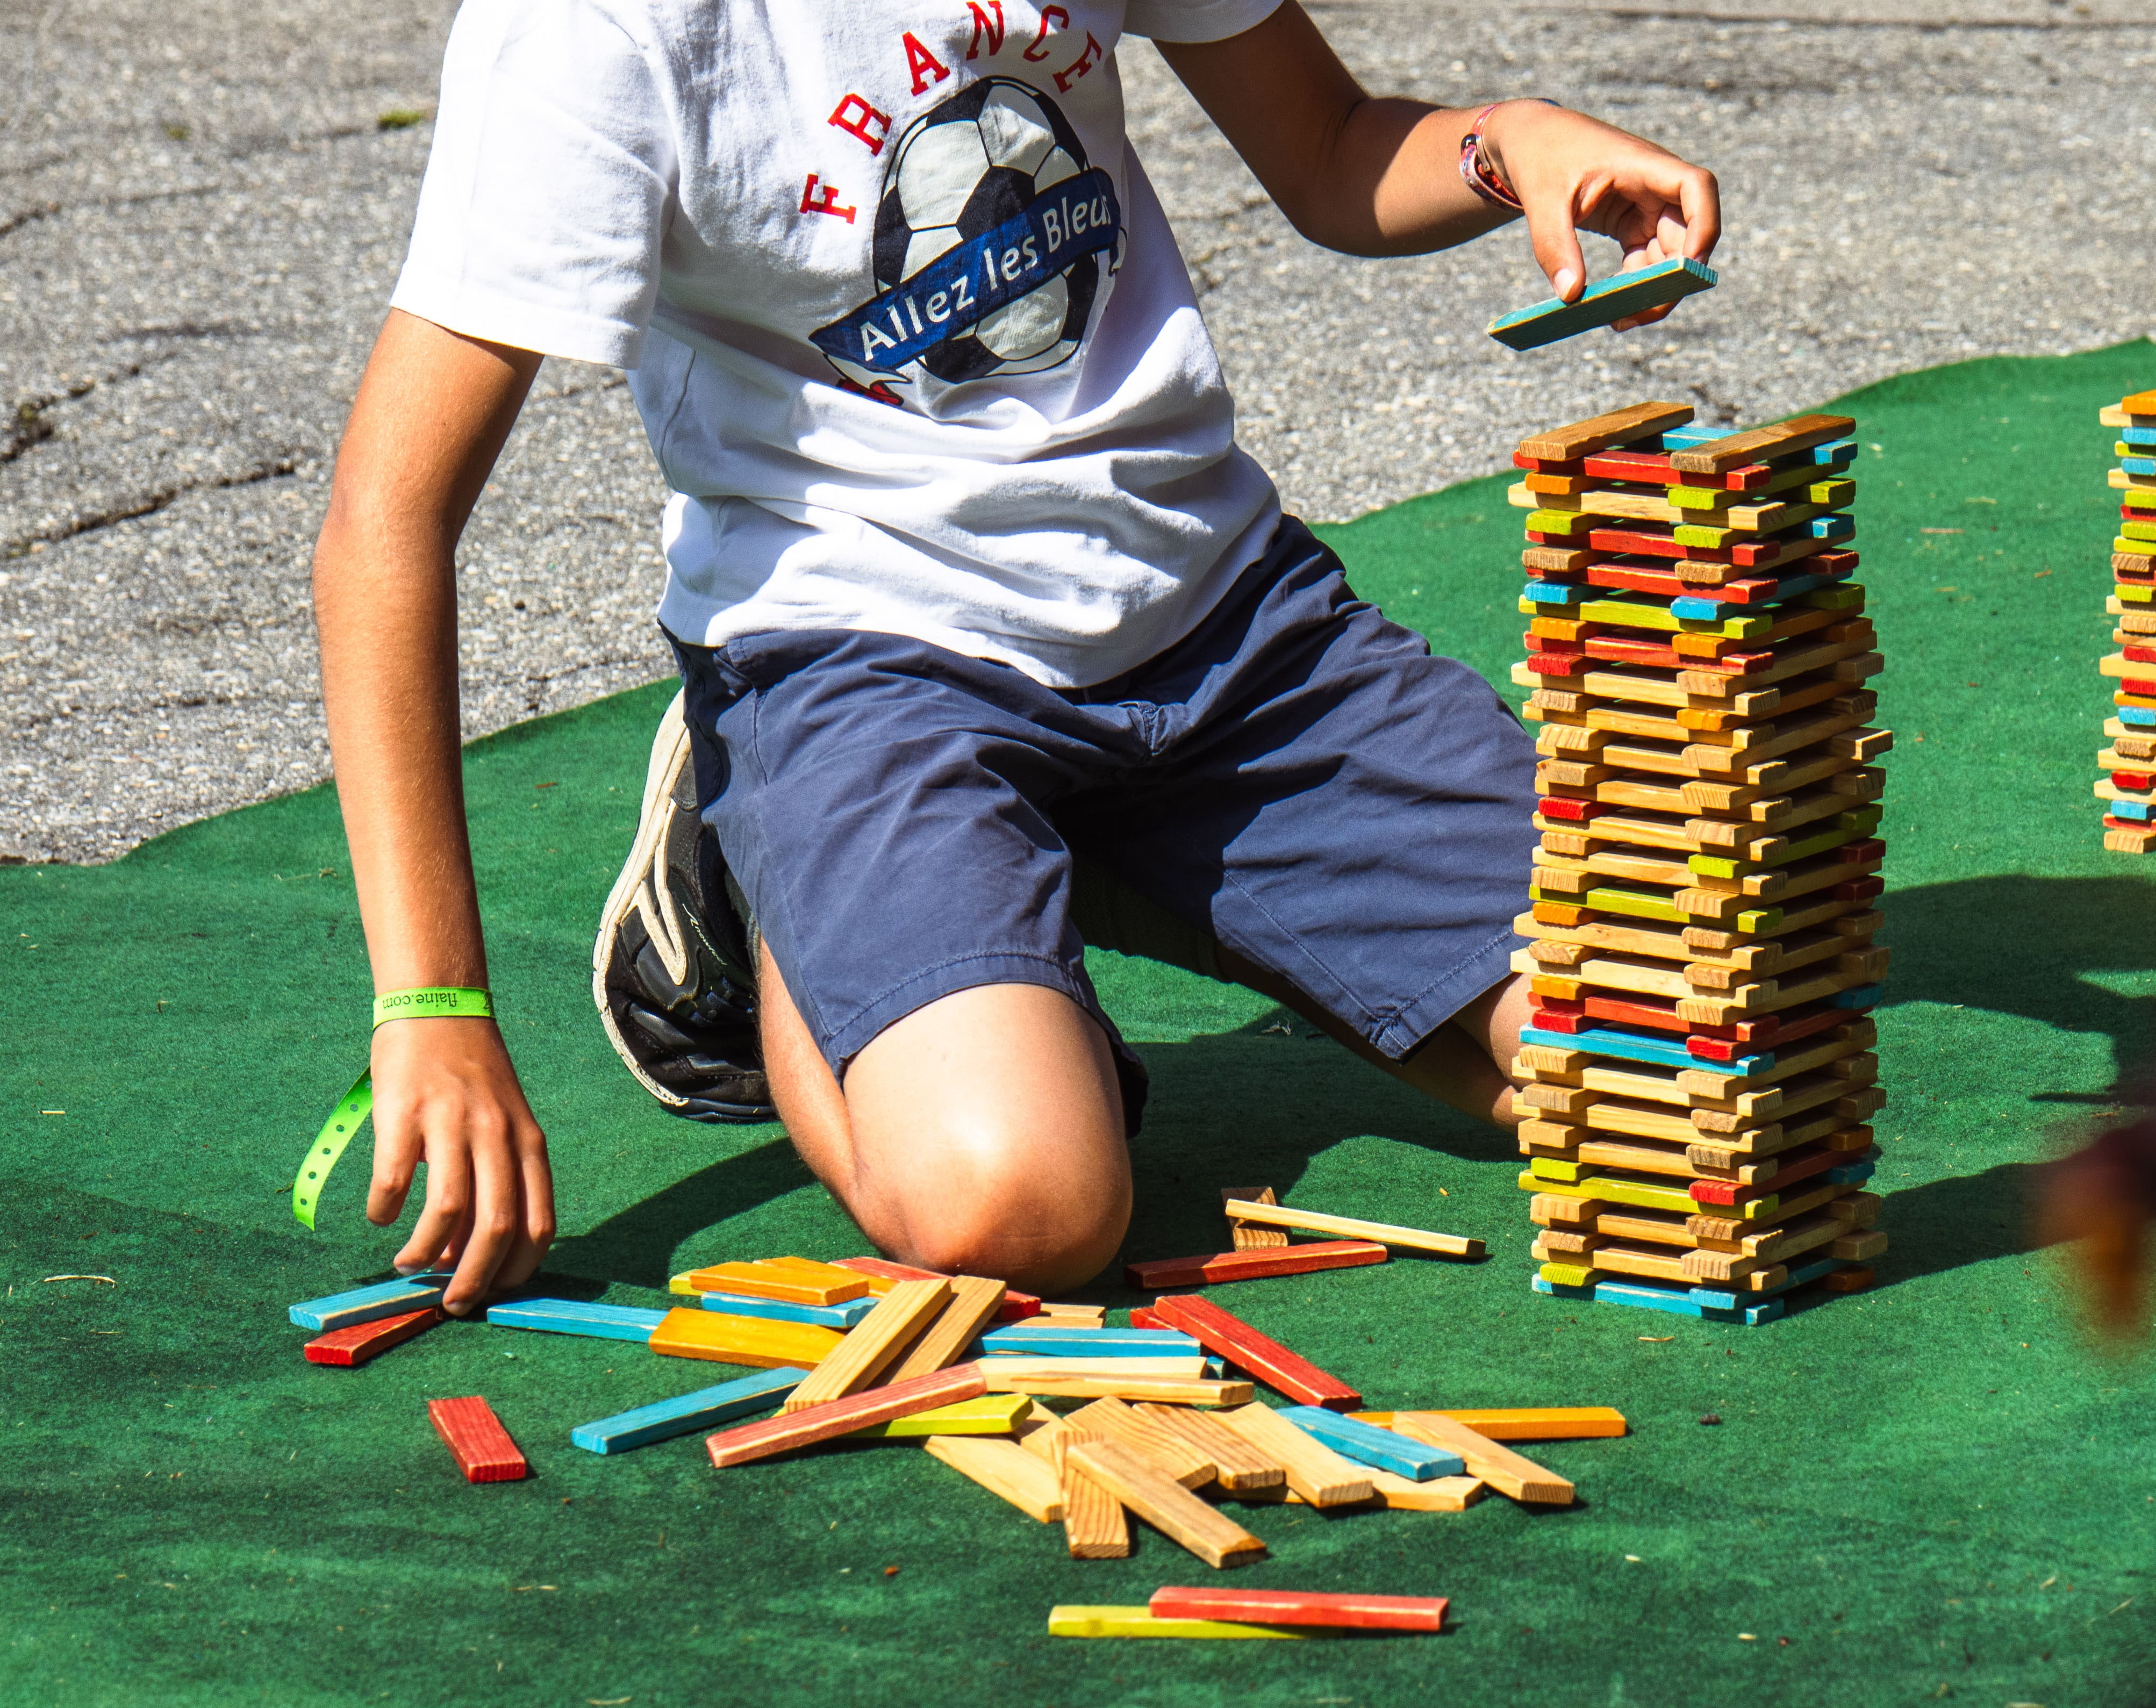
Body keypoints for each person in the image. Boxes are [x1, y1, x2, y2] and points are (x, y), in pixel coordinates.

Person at [314, 0, 1719, 1311]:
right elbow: (389, 517)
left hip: (1220, 624)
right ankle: (769, 888)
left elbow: (1330, 149)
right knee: (1027, 1208)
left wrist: (1506, 144)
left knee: (1664, 1071)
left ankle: (1045, 859)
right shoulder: (599, 30)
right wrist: (432, 1001)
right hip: (863, 658)